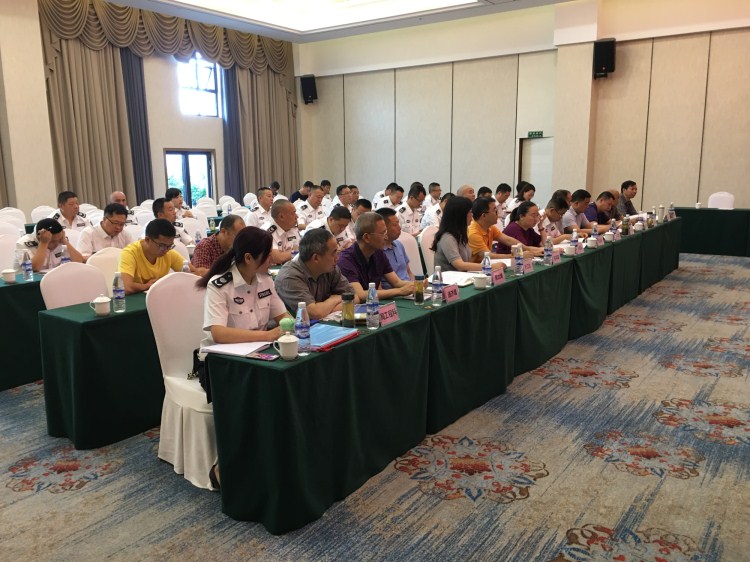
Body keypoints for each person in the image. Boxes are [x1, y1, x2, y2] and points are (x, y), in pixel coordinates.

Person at [275, 228, 357, 319]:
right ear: (316, 258)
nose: (337, 258)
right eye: (333, 253)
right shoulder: (290, 276)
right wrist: (334, 299)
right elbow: (314, 313)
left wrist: (324, 309)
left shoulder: (330, 268)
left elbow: (354, 298)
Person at [337, 212, 414, 301]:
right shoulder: (346, 259)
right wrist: (400, 291)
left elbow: (397, 282)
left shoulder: (379, 253)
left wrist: (416, 285)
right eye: (382, 233)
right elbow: (360, 295)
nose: (386, 237)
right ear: (366, 237)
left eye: (386, 232)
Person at [119, 219, 193, 294]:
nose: (166, 250)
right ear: (147, 240)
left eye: (170, 246)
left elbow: (193, 272)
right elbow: (125, 287)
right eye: (161, 245)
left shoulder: (168, 252)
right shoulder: (130, 253)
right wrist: (147, 286)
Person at [432, 197, 504, 273]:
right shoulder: (447, 237)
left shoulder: (462, 233)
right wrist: (490, 267)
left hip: (464, 276)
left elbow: (468, 261)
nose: (472, 215)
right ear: (460, 215)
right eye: (470, 212)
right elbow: (460, 265)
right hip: (449, 279)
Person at [467, 197, 533, 260]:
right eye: (495, 211)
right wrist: (518, 255)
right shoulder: (473, 233)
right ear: (484, 215)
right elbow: (489, 256)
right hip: (477, 267)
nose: (498, 213)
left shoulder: (490, 227)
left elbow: (508, 240)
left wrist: (530, 250)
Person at [16, 218, 84, 271]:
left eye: (59, 240)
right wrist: (43, 243)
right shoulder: (23, 243)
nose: (57, 244)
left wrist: (65, 241)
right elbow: (34, 268)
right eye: (53, 241)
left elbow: (79, 261)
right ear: (39, 236)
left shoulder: (61, 240)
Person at [376, 207, 415, 287]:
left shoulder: (399, 244)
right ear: (383, 228)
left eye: (398, 223)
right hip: (393, 291)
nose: (399, 228)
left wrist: (416, 286)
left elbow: (409, 273)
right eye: (395, 225)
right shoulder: (377, 251)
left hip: (409, 288)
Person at [260, 199, 300, 264]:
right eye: (293, 213)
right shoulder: (266, 232)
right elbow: (277, 258)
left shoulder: (292, 227)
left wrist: (294, 252)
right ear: (281, 217)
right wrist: (297, 252)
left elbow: (300, 249)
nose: (297, 216)